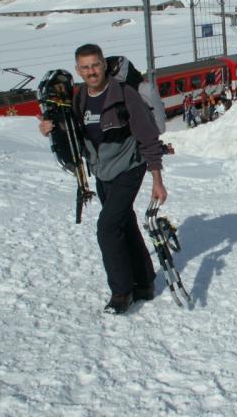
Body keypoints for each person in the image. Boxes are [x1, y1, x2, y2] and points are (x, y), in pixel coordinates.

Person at [38, 43, 167, 314]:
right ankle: (145, 281)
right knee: (124, 223)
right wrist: (49, 127)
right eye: (85, 67)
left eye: (95, 65)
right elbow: (72, 130)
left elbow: (148, 137)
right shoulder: (80, 98)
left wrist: (157, 180)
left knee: (107, 228)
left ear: (103, 65)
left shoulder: (125, 95)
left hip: (130, 167)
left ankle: (121, 292)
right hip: (102, 172)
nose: (91, 71)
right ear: (78, 70)